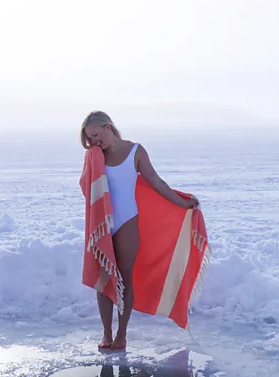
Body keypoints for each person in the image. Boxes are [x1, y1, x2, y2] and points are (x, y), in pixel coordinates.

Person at [80, 111, 199, 351]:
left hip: (127, 222)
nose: (94, 142)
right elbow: (86, 186)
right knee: (103, 280)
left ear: (107, 127)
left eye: (95, 135)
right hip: (103, 224)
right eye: (89, 139)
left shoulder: (135, 151)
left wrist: (182, 202)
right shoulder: (94, 156)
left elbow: (155, 181)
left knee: (124, 278)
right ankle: (106, 333)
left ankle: (121, 335)